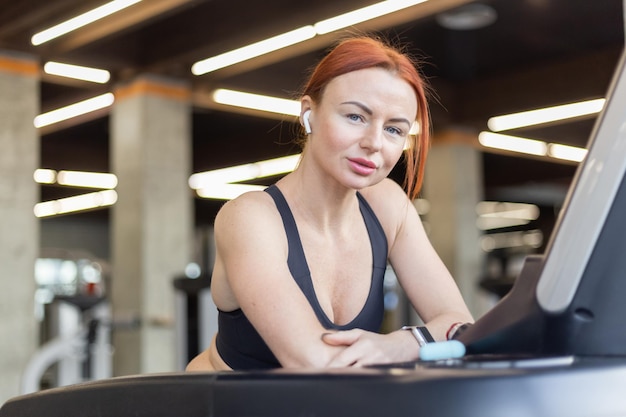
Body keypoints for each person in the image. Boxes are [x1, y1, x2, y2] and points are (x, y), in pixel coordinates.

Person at [187, 35, 473, 371]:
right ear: (310, 113)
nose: (374, 143)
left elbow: (462, 326)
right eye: (355, 117)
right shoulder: (250, 217)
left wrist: (404, 342)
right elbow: (314, 362)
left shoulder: (387, 206)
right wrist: (426, 341)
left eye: (395, 130)